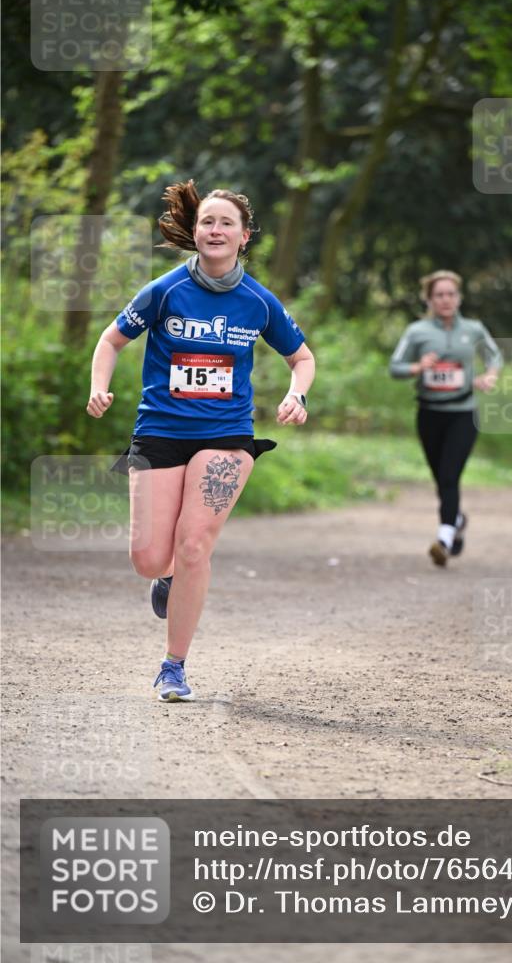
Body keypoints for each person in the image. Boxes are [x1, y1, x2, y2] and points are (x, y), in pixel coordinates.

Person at [87, 180, 315, 700]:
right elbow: (111, 339)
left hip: (226, 436)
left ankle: (174, 666)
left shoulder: (258, 301)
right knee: (149, 557)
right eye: (207, 221)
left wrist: (297, 395)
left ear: (243, 237)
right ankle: (165, 577)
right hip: (160, 431)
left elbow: (302, 358)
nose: (216, 229)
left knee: (194, 545)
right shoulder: (165, 290)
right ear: (195, 231)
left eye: (226, 223)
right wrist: (99, 387)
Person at [389, 269, 501, 566]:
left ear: (459, 297)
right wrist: (418, 367)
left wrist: (490, 375)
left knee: (450, 476)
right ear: (429, 299)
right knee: (442, 479)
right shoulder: (417, 332)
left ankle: (444, 538)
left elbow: (495, 355)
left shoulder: (474, 329)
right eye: (439, 295)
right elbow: (395, 367)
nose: (445, 299)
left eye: (451, 294)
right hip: (429, 414)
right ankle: (458, 519)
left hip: (463, 413)